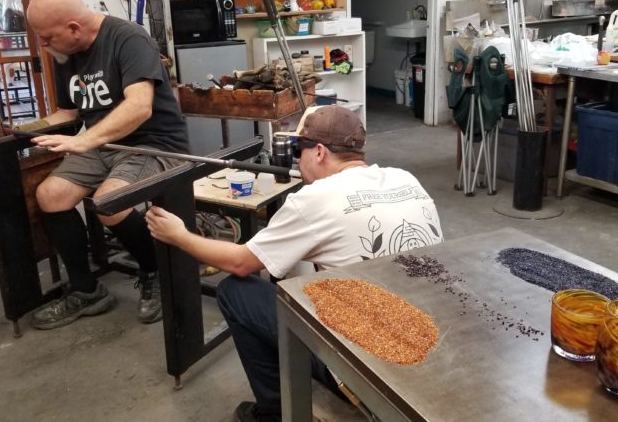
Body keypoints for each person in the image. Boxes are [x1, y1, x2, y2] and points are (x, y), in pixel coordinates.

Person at [145, 105, 443, 422]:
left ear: (319, 152)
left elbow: (240, 263)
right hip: (434, 342)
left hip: (371, 368)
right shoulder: (404, 178)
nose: (297, 163)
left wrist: (179, 236)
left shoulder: (316, 199)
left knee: (236, 291)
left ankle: (275, 411)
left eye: (299, 152)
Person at [22, 0, 189, 330]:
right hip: (104, 145)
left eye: (47, 37)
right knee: (50, 195)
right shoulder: (63, 51)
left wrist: (86, 140)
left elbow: (140, 107)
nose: (43, 44)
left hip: (154, 144)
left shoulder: (128, 38)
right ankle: (87, 292)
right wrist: (18, 132)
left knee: (108, 203)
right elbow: (67, 114)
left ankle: (156, 270)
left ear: (73, 28)